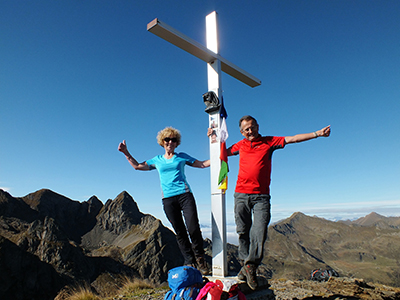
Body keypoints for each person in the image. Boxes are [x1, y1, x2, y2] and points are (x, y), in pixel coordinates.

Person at [209, 115, 331, 289]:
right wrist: (213, 138)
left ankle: (251, 266)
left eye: (252, 127)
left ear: (258, 126)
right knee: (242, 231)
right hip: (241, 195)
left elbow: (293, 139)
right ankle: (245, 265)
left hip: (261, 197)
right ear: (242, 132)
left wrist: (317, 134)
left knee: (259, 232)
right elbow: (220, 154)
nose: (250, 131)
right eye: (246, 129)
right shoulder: (240, 145)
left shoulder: (269, 141)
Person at [118, 127, 211, 275]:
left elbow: (202, 164)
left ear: (177, 143)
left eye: (173, 140)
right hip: (168, 199)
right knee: (180, 232)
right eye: (167, 139)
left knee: (193, 227)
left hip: (185, 195)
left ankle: (200, 259)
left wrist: (219, 155)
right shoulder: (157, 160)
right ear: (162, 142)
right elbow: (137, 166)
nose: (170, 142)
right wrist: (126, 153)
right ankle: (190, 261)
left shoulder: (182, 156)